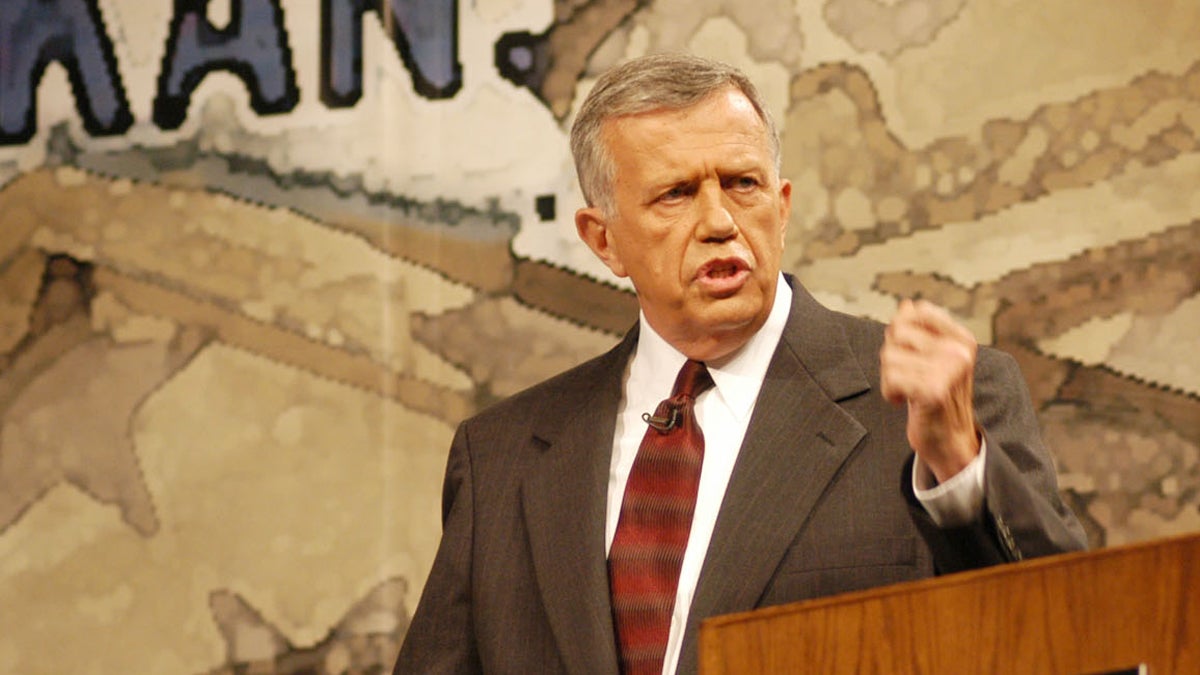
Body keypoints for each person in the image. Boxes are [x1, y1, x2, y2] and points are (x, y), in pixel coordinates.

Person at [393, 53, 1086, 675]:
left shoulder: (935, 405)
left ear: (781, 209)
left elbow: (1079, 640)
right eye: (676, 194)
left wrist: (960, 471)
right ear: (603, 240)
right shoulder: (502, 457)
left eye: (742, 184)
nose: (720, 220)